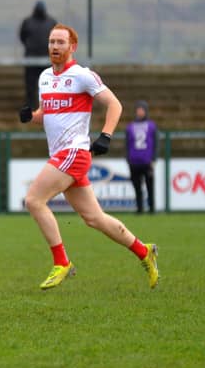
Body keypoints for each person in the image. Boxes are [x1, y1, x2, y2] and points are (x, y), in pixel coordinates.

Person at [18, 23, 159, 290]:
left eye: (60, 42)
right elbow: (46, 115)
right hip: (63, 155)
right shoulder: (45, 77)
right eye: (51, 42)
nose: (54, 47)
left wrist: (105, 135)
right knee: (94, 218)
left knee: (34, 200)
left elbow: (115, 104)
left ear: (73, 47)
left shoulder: (83, 76)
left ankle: (62, 262)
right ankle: (144, 251)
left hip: (74, 153)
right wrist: (31, 117)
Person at [19, 0, 57, 110]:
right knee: (32, 86)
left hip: (44, 59)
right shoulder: (29, 22)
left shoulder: (50, 22)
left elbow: (22, 37)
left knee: (46, 85)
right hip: (33, 60)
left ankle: (45, 107)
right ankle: (32, 109)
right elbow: (23, 36)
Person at [125, 101, 158, 214]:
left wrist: (154, 159)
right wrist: (128, 159)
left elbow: (155, 143)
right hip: (134, 161)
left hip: (147, 161)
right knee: (137, 187)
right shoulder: (130, 126)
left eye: (142, 109)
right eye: (138, 109)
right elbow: (127, 144)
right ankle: (139, 209)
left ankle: (151, 208)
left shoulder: (151, 125)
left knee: (150, 186)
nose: (140, 112)